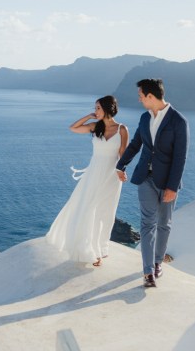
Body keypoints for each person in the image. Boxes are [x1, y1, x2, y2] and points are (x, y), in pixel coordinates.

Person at [116, 79, 189, 288]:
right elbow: (135, 144)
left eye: (141, 96)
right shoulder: (144, 118)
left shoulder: (178, 121)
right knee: (147, 224)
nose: (139, 99)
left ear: (150, 96)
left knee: (164, 224)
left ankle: (158, 262)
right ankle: (148, 272)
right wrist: (121, 166)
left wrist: (172, 188)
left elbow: (180, 158)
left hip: (167, 182)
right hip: (145, 179)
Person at [46, 95, 129, 266]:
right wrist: (89, 116)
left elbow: (123, 155)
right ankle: (89, 249)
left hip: (111, 177)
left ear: (107, 108)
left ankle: (99, 251)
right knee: (87, 209)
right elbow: (73, 128)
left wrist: (122, 171)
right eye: (95, 108)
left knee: (104, 213)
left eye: (98, 108)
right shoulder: (94, 127)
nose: (95, 110)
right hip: (93, 174)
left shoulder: (122, 129)